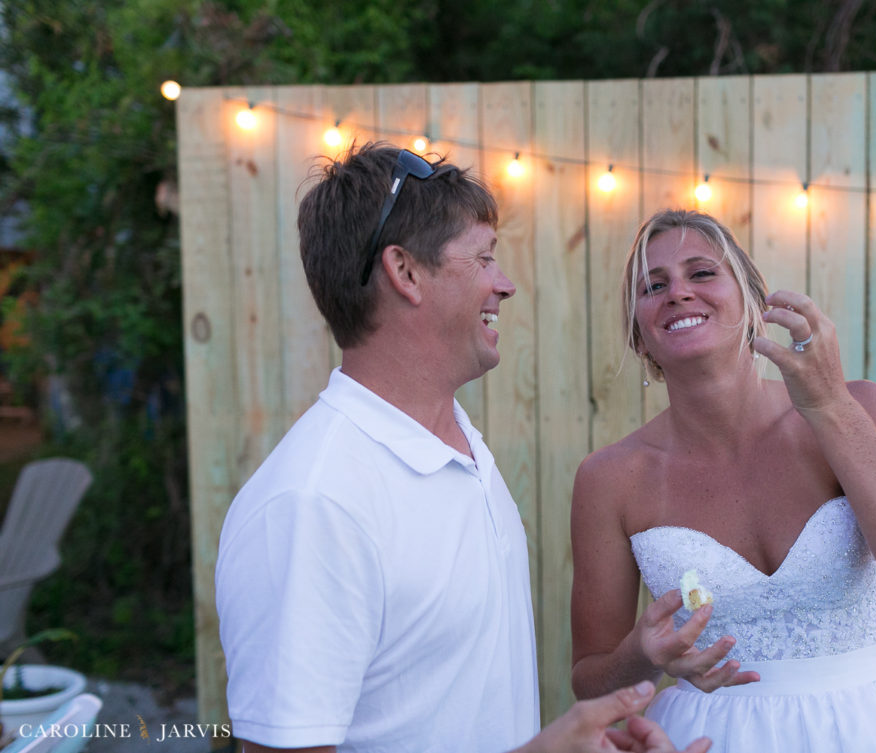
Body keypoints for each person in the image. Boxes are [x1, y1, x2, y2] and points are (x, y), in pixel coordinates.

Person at [215, 143, 711, 753]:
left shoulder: (460, 448)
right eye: (483, 259)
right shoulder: (314, 505)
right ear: (406, 272)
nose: (503, 285)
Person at [569, 208, 876, 752]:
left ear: (754, 307)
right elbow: (591, 683)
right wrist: (642, 654)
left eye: (702, 272)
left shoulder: (860, 410)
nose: (678, 293)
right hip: (703, 737)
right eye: (654, 285)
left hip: (866, 733)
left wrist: (832, 407)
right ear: (640, 337)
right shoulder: (611, 479)